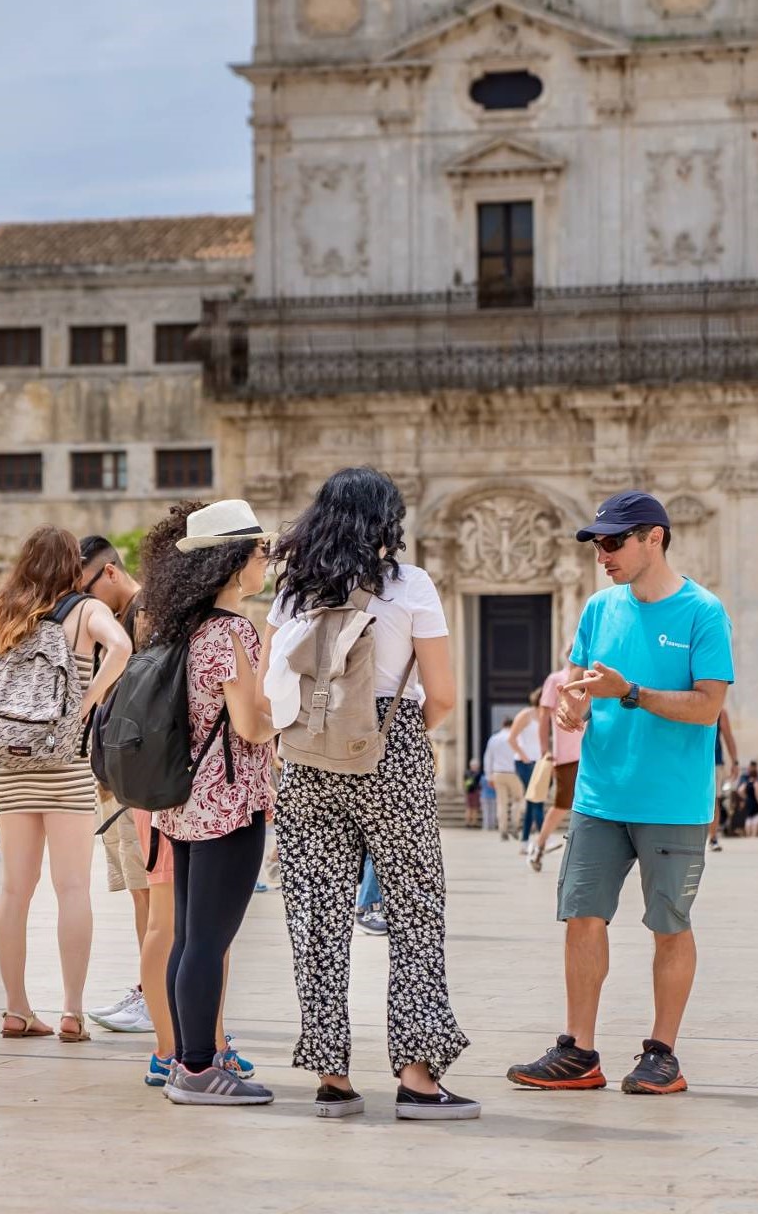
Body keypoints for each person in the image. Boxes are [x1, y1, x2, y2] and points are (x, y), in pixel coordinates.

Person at [268, 465, 475, 1122]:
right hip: (390, 751)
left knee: (317, 919)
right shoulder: (410, 586)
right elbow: (441, 693)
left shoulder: (293, 591)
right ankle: (417, 1079)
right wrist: (399, 734)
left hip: (305, 760)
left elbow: (274, 687)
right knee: (414, 913)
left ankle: (333, 1078)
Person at [508, 491, 731, 1099]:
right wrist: (575, 707)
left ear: (653, 537)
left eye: (612, 542)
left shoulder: (703, 613)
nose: (601, 554)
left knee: (668, 925)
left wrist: (630, 692)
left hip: (673, 802)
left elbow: (709, 704)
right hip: (599, 796)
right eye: (597, 544)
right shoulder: (598, 609)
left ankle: (662, 1054)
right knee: (581, 918)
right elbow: (576, 691)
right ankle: (578, 1050)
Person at [0, 527, 133, 1044]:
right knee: (71, 890)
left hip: (11, 766)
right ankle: (70, 1011)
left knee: (15, 890)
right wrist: (87, 701)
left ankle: (17, 1010)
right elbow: (123, 646)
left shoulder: (5, 609)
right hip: (66, 762)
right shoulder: (85, 610)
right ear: (72, 564)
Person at [133, 500, 277, 1105]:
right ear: (235, 560)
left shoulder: (182, 628)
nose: (265, 562)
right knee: (209, 943)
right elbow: (249, 723)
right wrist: (289, 713)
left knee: (190, 938)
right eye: (259, 552)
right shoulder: (232, 631)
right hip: (230, 803)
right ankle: (197, 1068)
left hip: (185, 804)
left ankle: (182, 1061)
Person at [77, 536, 161, 1037]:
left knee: (151, 893)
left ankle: (154, 996)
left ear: (109, 573)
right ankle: (149, 989)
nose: (83, 601)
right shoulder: (114, 619)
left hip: (137, 778)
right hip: (117, 776)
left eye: (85, 587)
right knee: (140, 892)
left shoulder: (144, 614)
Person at [524, 665, 582, 872]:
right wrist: (544, 750)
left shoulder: (591, 678)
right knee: (562, 803)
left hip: (591, 751)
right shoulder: (556, 679)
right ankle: (539, 845)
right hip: (567, 753)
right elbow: (543, 717)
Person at [507, 704, 546, 851]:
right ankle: (544, 838)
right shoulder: (526, 714)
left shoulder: (545, 715)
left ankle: (524, 842)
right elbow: (511, 738)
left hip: (539, 763)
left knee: (531, 801)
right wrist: (524, 757)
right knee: (537, 799)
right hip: (525, 763)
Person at [706, 711, 739, 851]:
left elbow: (728, 736)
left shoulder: (720, 712)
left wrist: (735, 762)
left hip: (713, 761)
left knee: (714, 800)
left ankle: (713, 837)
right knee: (713, 800)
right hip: (700, 760)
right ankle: (710, 838)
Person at [483, 719, 520, 840]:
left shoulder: (494, 739)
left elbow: (488, 758)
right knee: (517, 800)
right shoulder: (516, 736)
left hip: (498, 772)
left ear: (502, 725)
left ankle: (503, 830)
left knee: (501, 803)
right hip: (514, 772)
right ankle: (515, 826)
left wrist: (489, 776)